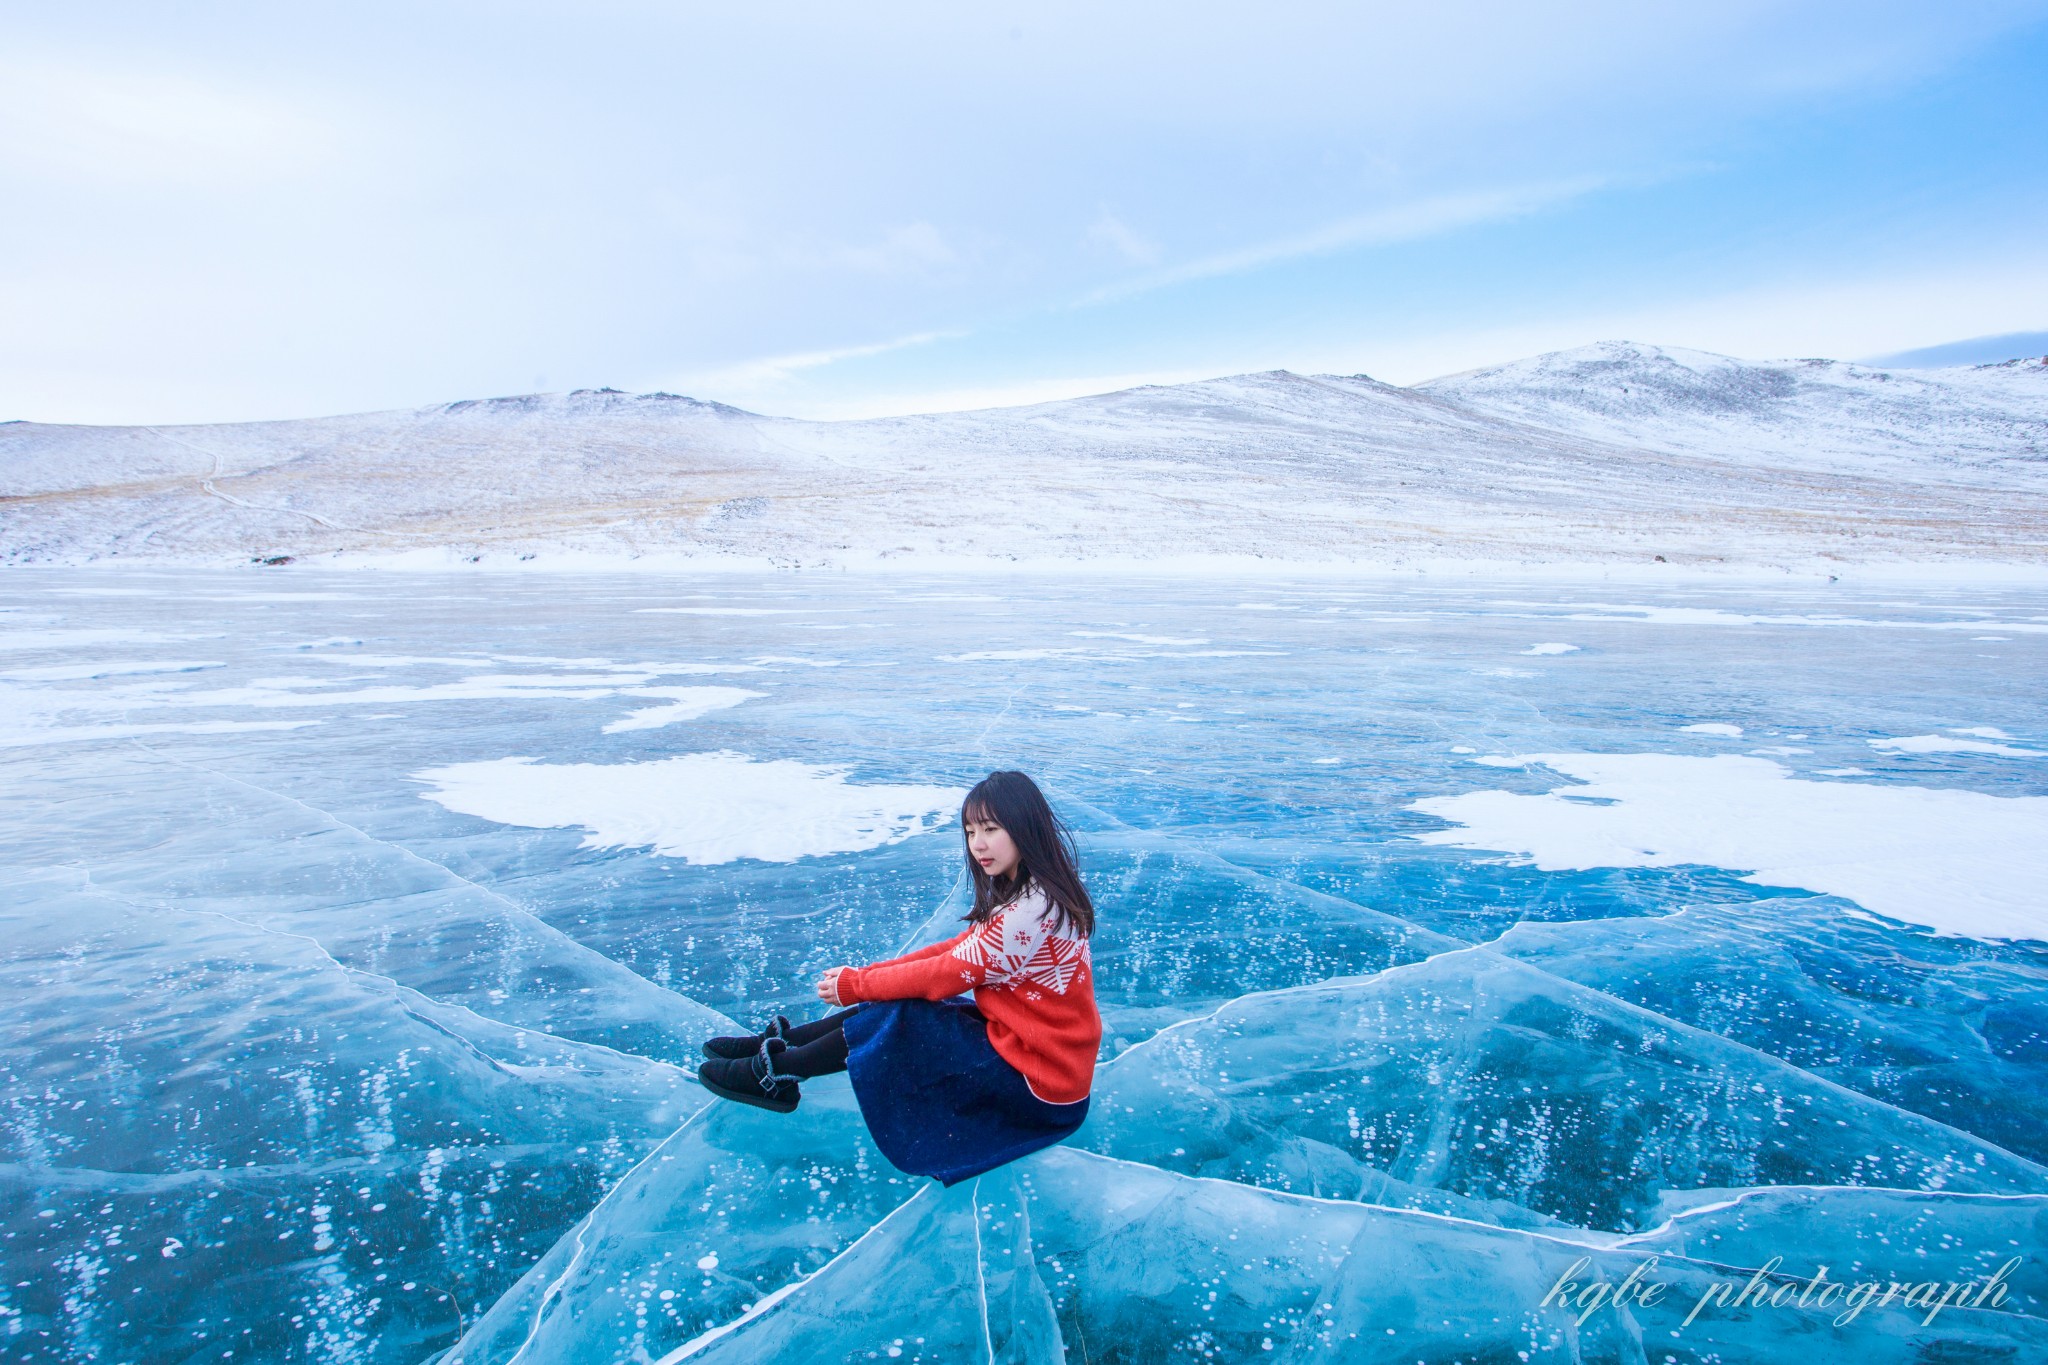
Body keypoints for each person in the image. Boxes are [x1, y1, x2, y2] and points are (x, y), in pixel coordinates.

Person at [697, 770, 1101, 1186]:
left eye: (991, 829)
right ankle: (788, 1046)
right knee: (899, 1002)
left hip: (1040, 1087)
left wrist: (856, 985)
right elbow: (953, 950)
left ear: (1023, 827)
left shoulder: (1030, 912)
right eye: (969, 831)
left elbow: (945, 973)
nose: (977, 844)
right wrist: (868, 977)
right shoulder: (1032, 892)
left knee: (906, 1015)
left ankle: (779, 1073)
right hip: (1027, 1049)